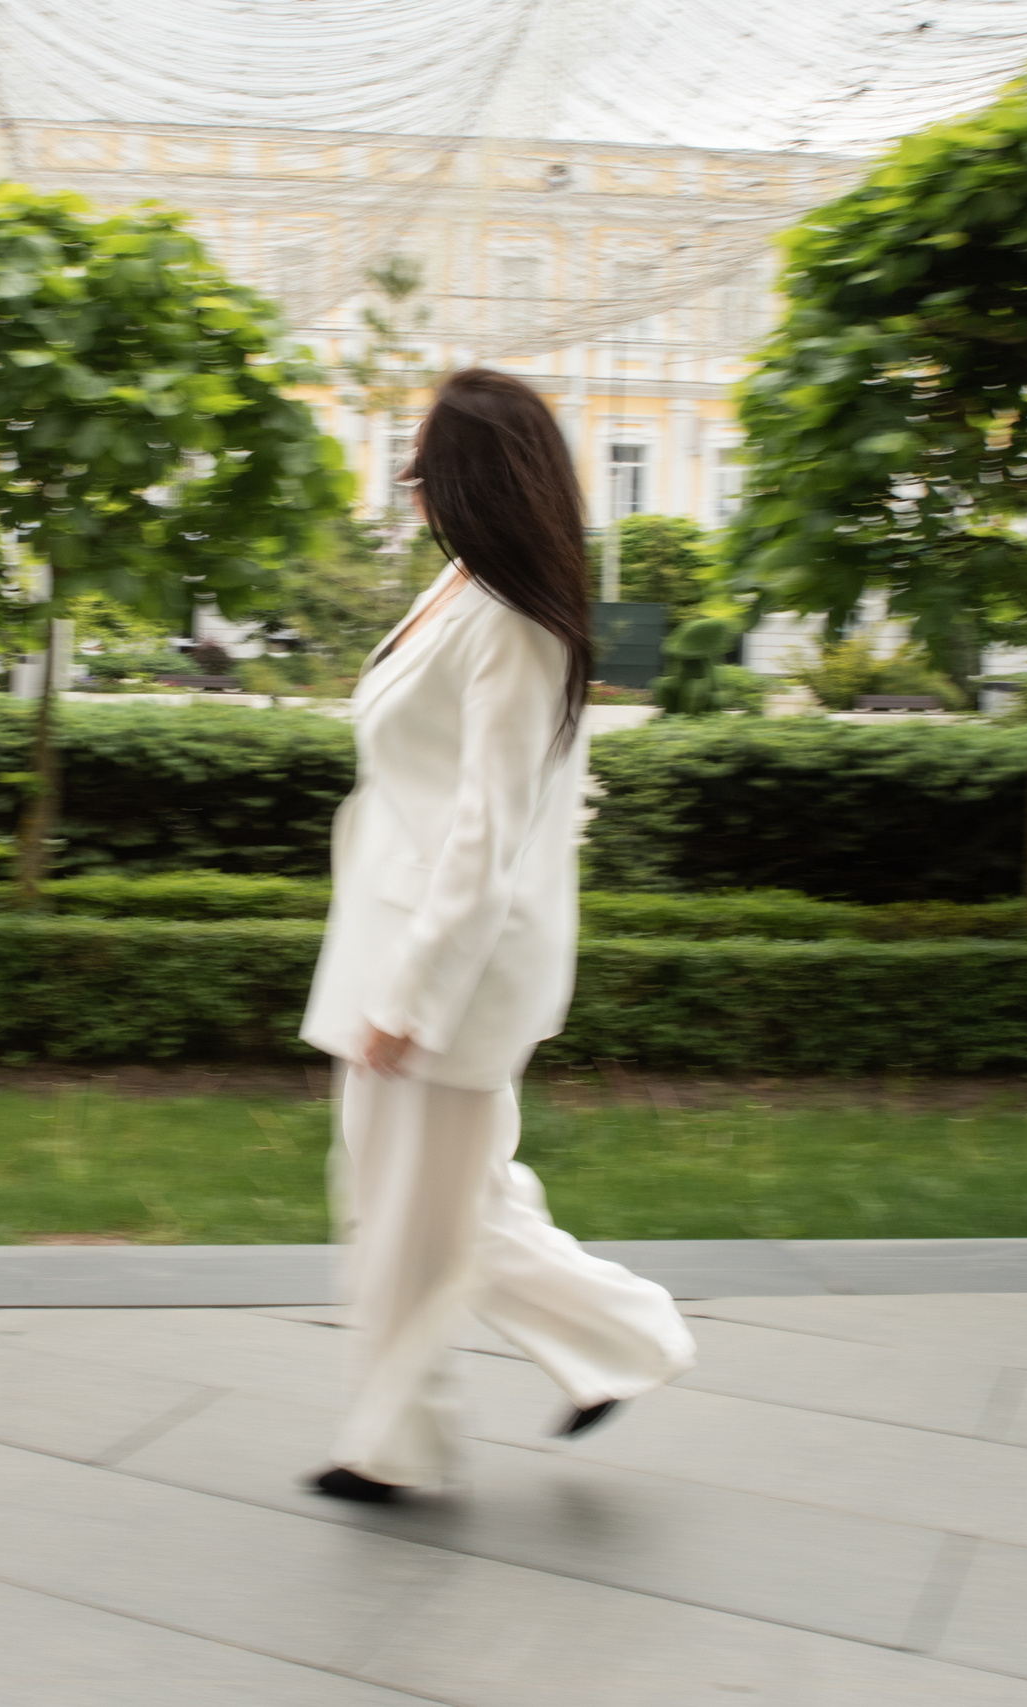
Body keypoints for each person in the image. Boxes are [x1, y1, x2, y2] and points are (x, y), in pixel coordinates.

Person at [301, 367, 695, 1502]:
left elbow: (488, 831)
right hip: (396, 936)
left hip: (449, 967)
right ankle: (627, 1341)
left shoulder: (516, 624)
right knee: (454, 1202)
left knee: (409, 1221)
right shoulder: (465, 589)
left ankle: (394, 1444)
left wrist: (410, 999)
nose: (408, 487)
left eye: (423, 468)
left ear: (470, 479)